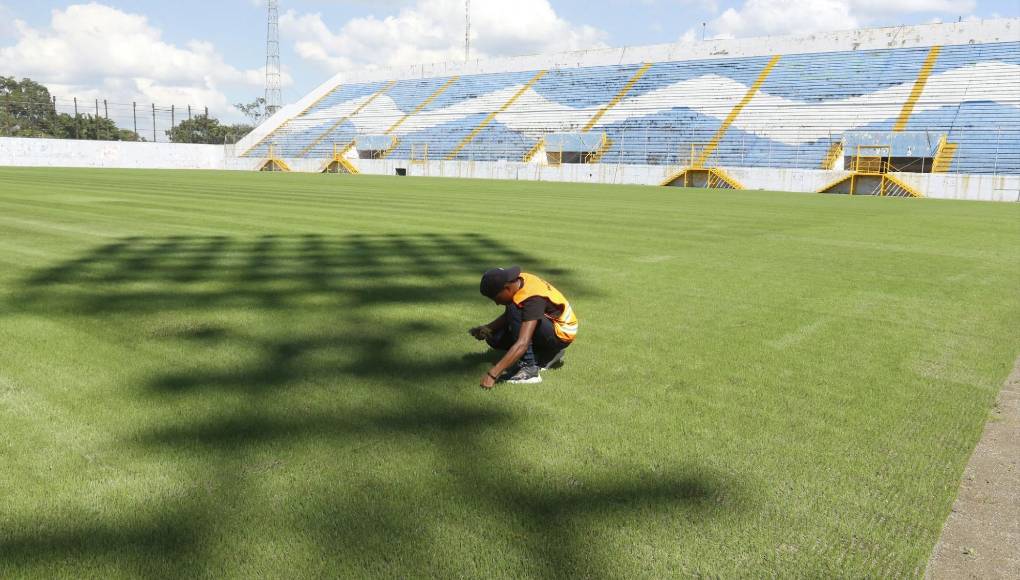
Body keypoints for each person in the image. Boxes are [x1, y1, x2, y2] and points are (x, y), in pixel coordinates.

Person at [470, 266, 578, 388]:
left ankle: (529, 369)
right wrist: (488, 328)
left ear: (507, 288)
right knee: (494, 336)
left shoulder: (532, 298)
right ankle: (548, 353)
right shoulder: (518, 282)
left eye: (496, 298)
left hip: (561, 334)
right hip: (549, 326)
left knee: (515, 309)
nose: (497, 303)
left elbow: (523, 342)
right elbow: (509, 316)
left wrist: (492, 375)